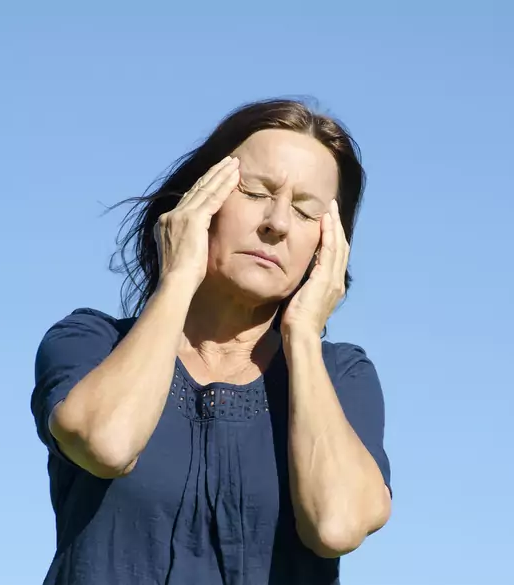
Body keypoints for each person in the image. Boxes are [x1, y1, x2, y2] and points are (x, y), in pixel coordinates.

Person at [30, 98, 392, 585]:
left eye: (307, 212)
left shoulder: (343, 377)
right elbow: (107, 445)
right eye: (254, 191)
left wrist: (303, 337)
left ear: (327, 247)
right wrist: (178, 276)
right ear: (201, 200)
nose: (277, 223)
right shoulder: (90, 342)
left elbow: (337, 525)